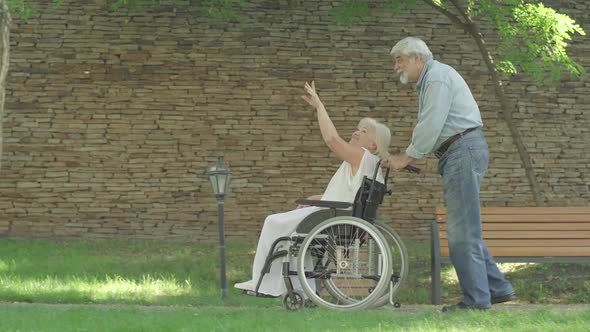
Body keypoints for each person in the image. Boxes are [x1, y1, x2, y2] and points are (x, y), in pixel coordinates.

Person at [383, 37, 515, 311]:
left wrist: (407, 156)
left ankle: (476, 302)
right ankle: (497, 288)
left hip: (462, 150)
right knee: (467, 228)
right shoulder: (434, 78)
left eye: (400, 60)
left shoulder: (437, 79)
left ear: (418, 58)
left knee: (460, 232)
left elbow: (431, 123)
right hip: (461, 151)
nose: (396, 66)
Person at [234, 81, 392, 297]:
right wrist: (314, 199)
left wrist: (319, 106)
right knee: (296, 235)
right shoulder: (365, 163)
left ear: (373, 145)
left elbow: (332, 140)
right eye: (358, 128)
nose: (356, 132)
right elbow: (348, 196)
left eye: (363, 132)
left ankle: (264, 284)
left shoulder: (364, 157)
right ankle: (300, 290)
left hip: (334, 217)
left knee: (273, 222)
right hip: (337, 213)